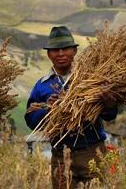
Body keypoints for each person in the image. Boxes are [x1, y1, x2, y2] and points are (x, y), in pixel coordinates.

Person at [25, 26, 118, 188]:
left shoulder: (91, 79)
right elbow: (31, 120)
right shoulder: (42, 86)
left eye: (65, 48)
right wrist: (48, 110)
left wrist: (110, 103)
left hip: (93, 151)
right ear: (49, 54)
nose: (60, 54)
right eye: (55, 50)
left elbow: (110, 115)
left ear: (74, 51)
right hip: (61, 156)